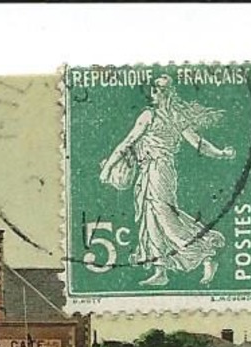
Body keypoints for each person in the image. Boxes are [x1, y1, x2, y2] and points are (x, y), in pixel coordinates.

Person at [98, 73, 235, 287]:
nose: (154, 92)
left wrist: (220, 153)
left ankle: (206, 254)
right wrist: (109, 167)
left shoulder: (165, 116)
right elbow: (129, 143)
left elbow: (197, 142)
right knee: (150, 218)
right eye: (154, 88)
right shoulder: (151, 115)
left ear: (168, 93)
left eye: (160, 89)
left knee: (164, 216)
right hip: (148, 171)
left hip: (160, 170)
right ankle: (160, 270)